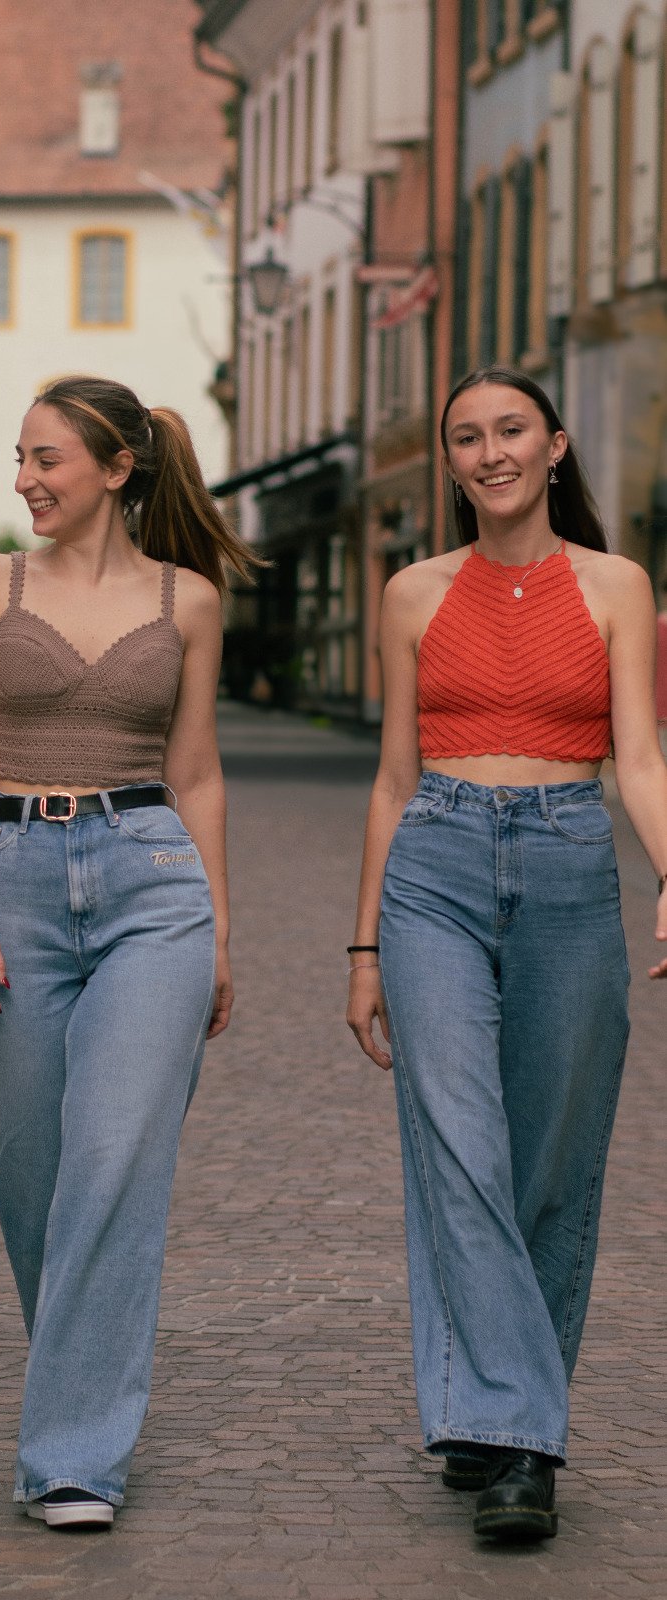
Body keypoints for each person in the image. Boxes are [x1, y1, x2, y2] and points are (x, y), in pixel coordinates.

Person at [347, 367, 667, 1545]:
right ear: (452, 462)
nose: (489, 452)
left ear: (553, 445)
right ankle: (524, 1438)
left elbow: (638, 756)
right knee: (460, 1145)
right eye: (467, 438)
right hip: (432, 861)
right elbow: (389, 777)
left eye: (509, 431)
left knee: (551, 1158)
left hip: (572, 862)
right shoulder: (411, 594)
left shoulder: (617, 586)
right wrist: (365, 943)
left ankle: (486, 1408)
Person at [0, 375, 253, 1528]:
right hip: (12, 881)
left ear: (116, 469)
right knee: (32, 1174)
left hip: (150, 883)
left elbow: (199, 771)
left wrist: (217, 928)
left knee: (116, 1155)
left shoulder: (189, 599)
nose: (25, 480)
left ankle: (73, 1454)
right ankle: (82, 1376)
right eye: (19, 457)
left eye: (48, 460)